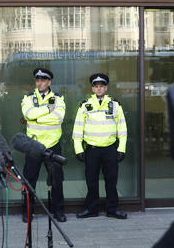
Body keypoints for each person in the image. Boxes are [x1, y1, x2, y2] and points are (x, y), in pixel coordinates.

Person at [73, 73, 128, 220]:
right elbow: (78, 128)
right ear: (92, 88)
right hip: (92, 150)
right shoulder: (85, 105)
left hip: (110, 149)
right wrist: (78, 149)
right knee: (91, 181)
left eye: (101, 86)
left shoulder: (115, 105)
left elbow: (122, 128)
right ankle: (91, 209)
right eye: (96, 86)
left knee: (111, 181)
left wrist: (121, 148)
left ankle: (113, 209)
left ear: (106, 88)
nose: (99, 89)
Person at [20, 67, 66, 222]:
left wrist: (37, 118)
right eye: (37, 80)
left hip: (52, 144)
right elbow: (28, 114)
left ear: (49, 82)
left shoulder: (58, 98)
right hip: (33, 145)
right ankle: (28, 212)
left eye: (43, 80)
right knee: (29, 180)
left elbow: (58, 118)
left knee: (56, 180)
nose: (39, 83)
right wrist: (47, 109)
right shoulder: (28, 98)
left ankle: (58, 211)